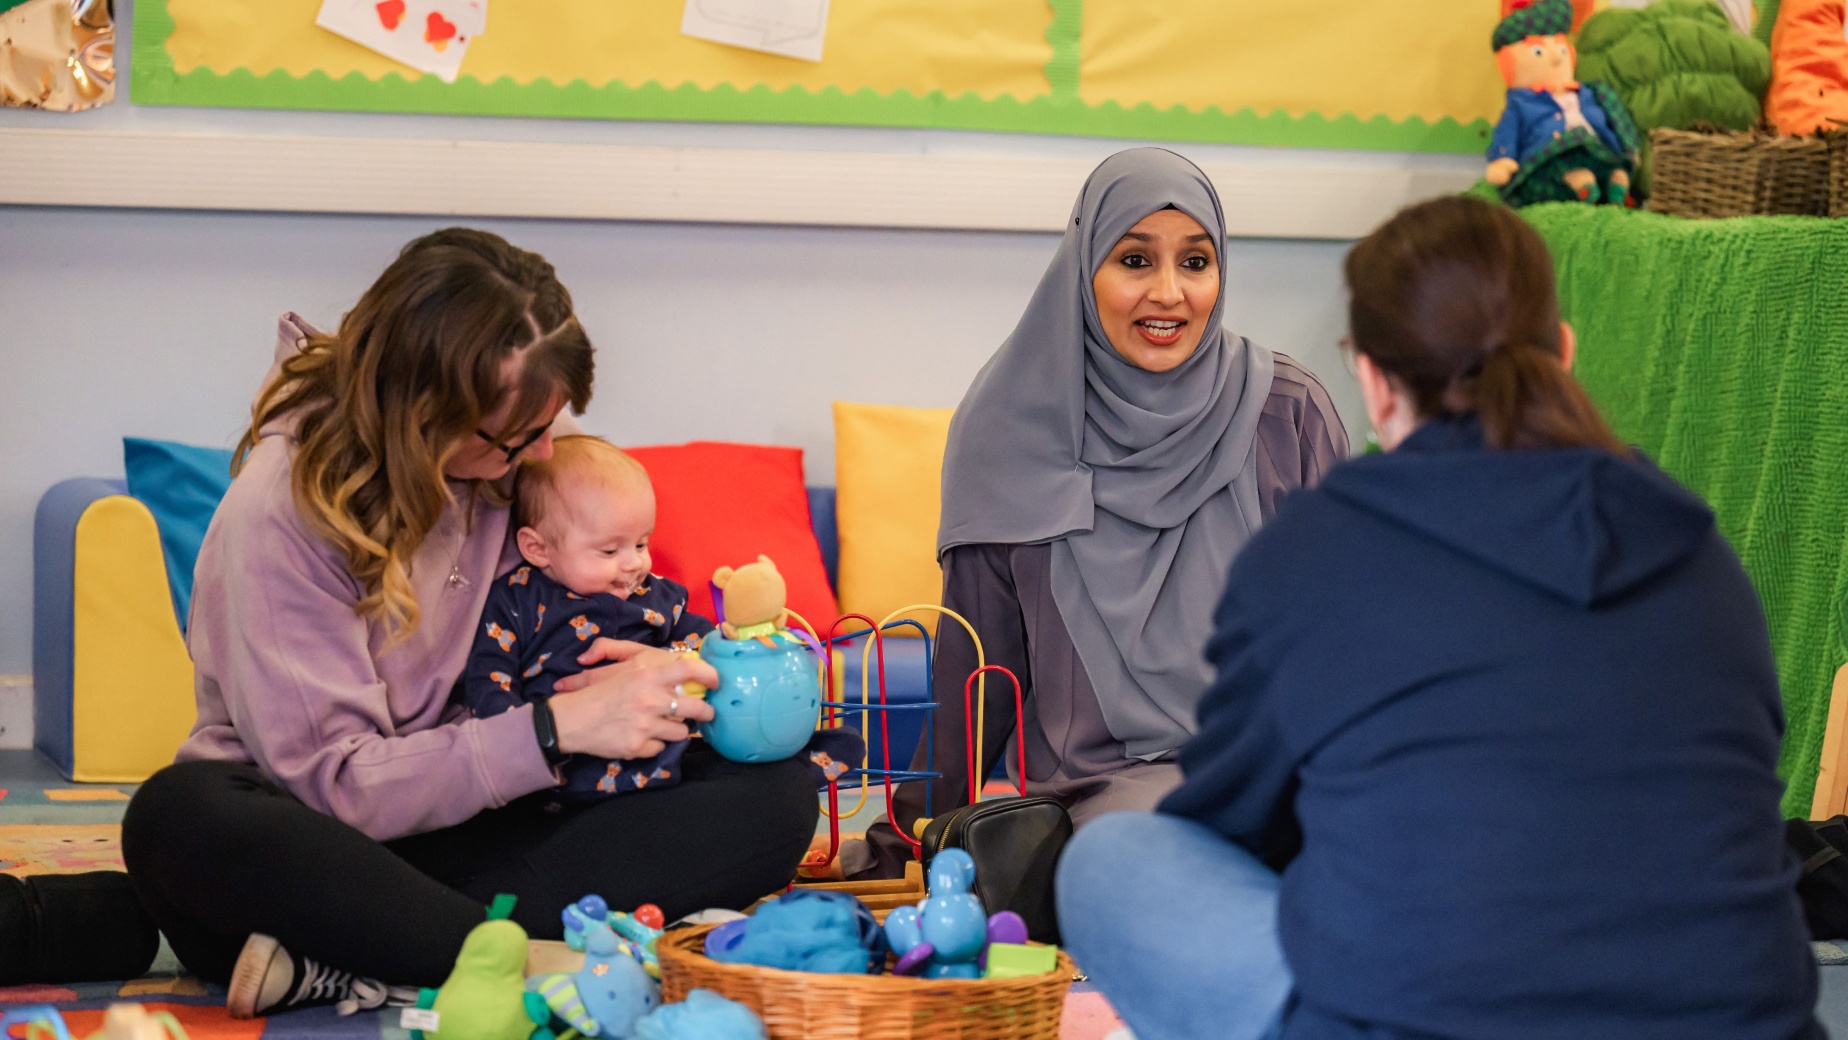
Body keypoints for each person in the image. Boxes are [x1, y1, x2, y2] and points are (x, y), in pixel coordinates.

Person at [1056, 196, 1821, 1040]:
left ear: (1375, 381)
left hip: (1423, 1014)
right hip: (1744, 1022)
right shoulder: (1699, 553)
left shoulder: (1314, 552)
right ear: (1563, 353)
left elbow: (1232, 825)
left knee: (1114, 861)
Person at [105, 229, 818, 1017]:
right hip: (321, 845)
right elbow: (336, 786)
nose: (546, 449)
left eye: (550, 423)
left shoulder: (520, 459)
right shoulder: (277, 517)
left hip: (484, 823)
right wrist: (554, 728)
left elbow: (616, 601)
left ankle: (385, 957)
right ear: (425, 416)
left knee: (777, 794)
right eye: (516, 436)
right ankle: (509, 950)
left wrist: (659, 674)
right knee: (178, 818)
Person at [842, 148, 1347, 879]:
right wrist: (903, 842)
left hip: (1280, 758)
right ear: (1083, 269)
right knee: (1177, 861)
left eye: (1196, 262)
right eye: (1135, 260)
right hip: (1113, 790)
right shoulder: (1009, 431)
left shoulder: (1286, 411)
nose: (1170, 294)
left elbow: (1345, 631)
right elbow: (979, 672)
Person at [462, 435, 713, 801]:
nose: (634, 563)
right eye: (610, 550)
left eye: (642, 544)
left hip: (660, 763)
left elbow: (703, 641)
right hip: (557, 781)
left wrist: (676, 658)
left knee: (775, 782)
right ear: (538, 548)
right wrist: (527, 741)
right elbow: (489, 681)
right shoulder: (516, 601)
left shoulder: (656, 595)